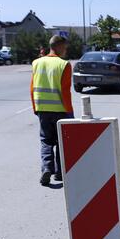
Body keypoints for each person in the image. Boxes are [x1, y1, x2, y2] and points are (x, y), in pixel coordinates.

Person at [30, 35, 73, 186]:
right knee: (62, 142)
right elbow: (65, 92)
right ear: (59, 46)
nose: (66, 50)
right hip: (61, 109)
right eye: (65, 47)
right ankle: (60, 174)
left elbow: (32, 87)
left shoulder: (36, 63)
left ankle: (47, 168)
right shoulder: (64, 65)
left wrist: (36, 108)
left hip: (43, 109)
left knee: (46, 141)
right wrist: (70, 113)